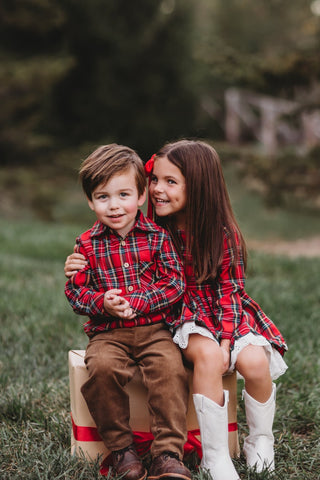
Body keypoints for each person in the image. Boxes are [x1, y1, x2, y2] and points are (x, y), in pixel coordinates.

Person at [65, 139, 288, 480]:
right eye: (155, 180)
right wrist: (85, 280)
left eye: (170, 182)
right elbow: (83, 283)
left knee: (255, 362)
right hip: (178, 313)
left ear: (197, 187)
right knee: (205, 357)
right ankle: (208, 456)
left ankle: (259, 442)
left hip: (215, 311)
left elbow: (229, 290)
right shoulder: (150, 228)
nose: (157, 189)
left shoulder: (211, 234)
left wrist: (228, 338)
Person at [64, 144, 192, 480]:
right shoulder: (86, 244)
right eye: (103, 197)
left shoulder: (158, 238)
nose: (115, 205)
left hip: (155, 330)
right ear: (91, 202)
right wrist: (101, 302)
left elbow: (174, 283)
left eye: (123, 194)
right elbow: (76, 292)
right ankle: (122, 452)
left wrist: (138, 301)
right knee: (101, 369)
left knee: (170, 371)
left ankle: (167, 454)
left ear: (140, 197)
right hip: (108, 334)